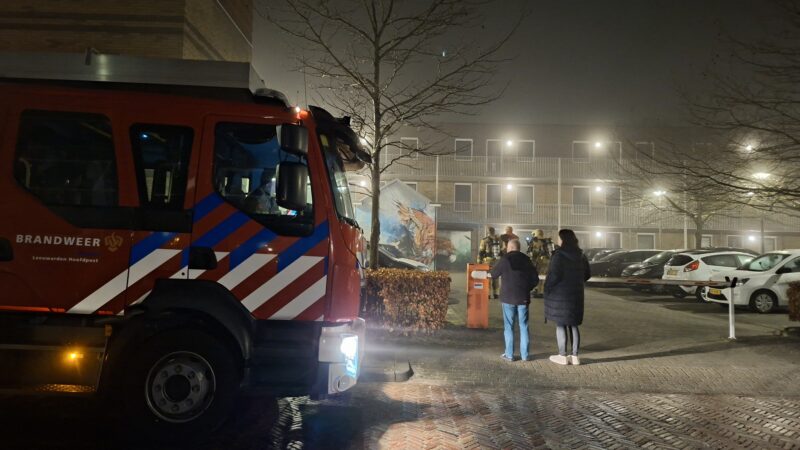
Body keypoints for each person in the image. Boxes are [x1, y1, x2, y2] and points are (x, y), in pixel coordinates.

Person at [544, 229, 591, 366]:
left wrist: (547, 288)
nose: (557, 241)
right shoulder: (581, 255)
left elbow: (554, 276)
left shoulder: (558, 256)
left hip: (561, 295)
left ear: (563, 239)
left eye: (559, 238)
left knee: (561, 324)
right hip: (576, 294)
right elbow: (587, 274)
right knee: (573, 324)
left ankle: (562, 355)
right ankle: (575, 356)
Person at [490, 239, 539, 361]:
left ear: (510, 247)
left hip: (508, 298)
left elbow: (494, 274)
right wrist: (527, 288)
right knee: (524, 326)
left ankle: (509, 354)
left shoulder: (505, 259)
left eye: (507, 247)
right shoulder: (527, 260)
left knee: (509, 326)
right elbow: (535, 279)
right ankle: (525, 355)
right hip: (523, 298)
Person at [527, 229, 553, 298]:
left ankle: (537, 290)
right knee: (544, 276)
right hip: (547, 260)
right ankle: (542, 291)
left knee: (537, 275)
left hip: (539, 260)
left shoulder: (534, 240)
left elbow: (531, 252)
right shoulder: (547, 241)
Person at [478, 226, 503, 299]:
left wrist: (479, 261)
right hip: (497, 261)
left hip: (488, 261)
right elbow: (503, 251)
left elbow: (481, 251)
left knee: (488, 277)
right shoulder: (499, 240)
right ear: (494, 231)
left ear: (488, 232)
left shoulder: (485, 240)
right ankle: (496, 294)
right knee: (496, 277)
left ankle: (488, 294)